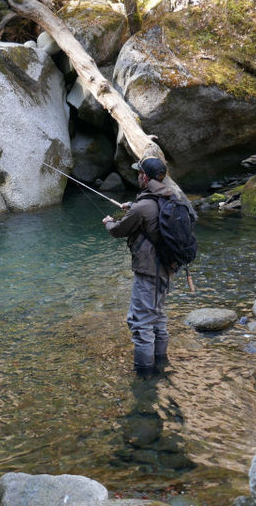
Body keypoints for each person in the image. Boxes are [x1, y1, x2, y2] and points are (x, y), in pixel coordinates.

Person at [102, 157, 175, 376]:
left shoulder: (143, 207)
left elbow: (118, 230)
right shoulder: (171, 197)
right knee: (158, 317)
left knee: (141, 323)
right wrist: (132, 206)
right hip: (168, 269)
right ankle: (160, 364)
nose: (137, 175)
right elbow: (150, 213)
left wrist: (108, 222)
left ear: (144, 176)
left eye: (139, 173)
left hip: (148, 272)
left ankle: (144, 376)